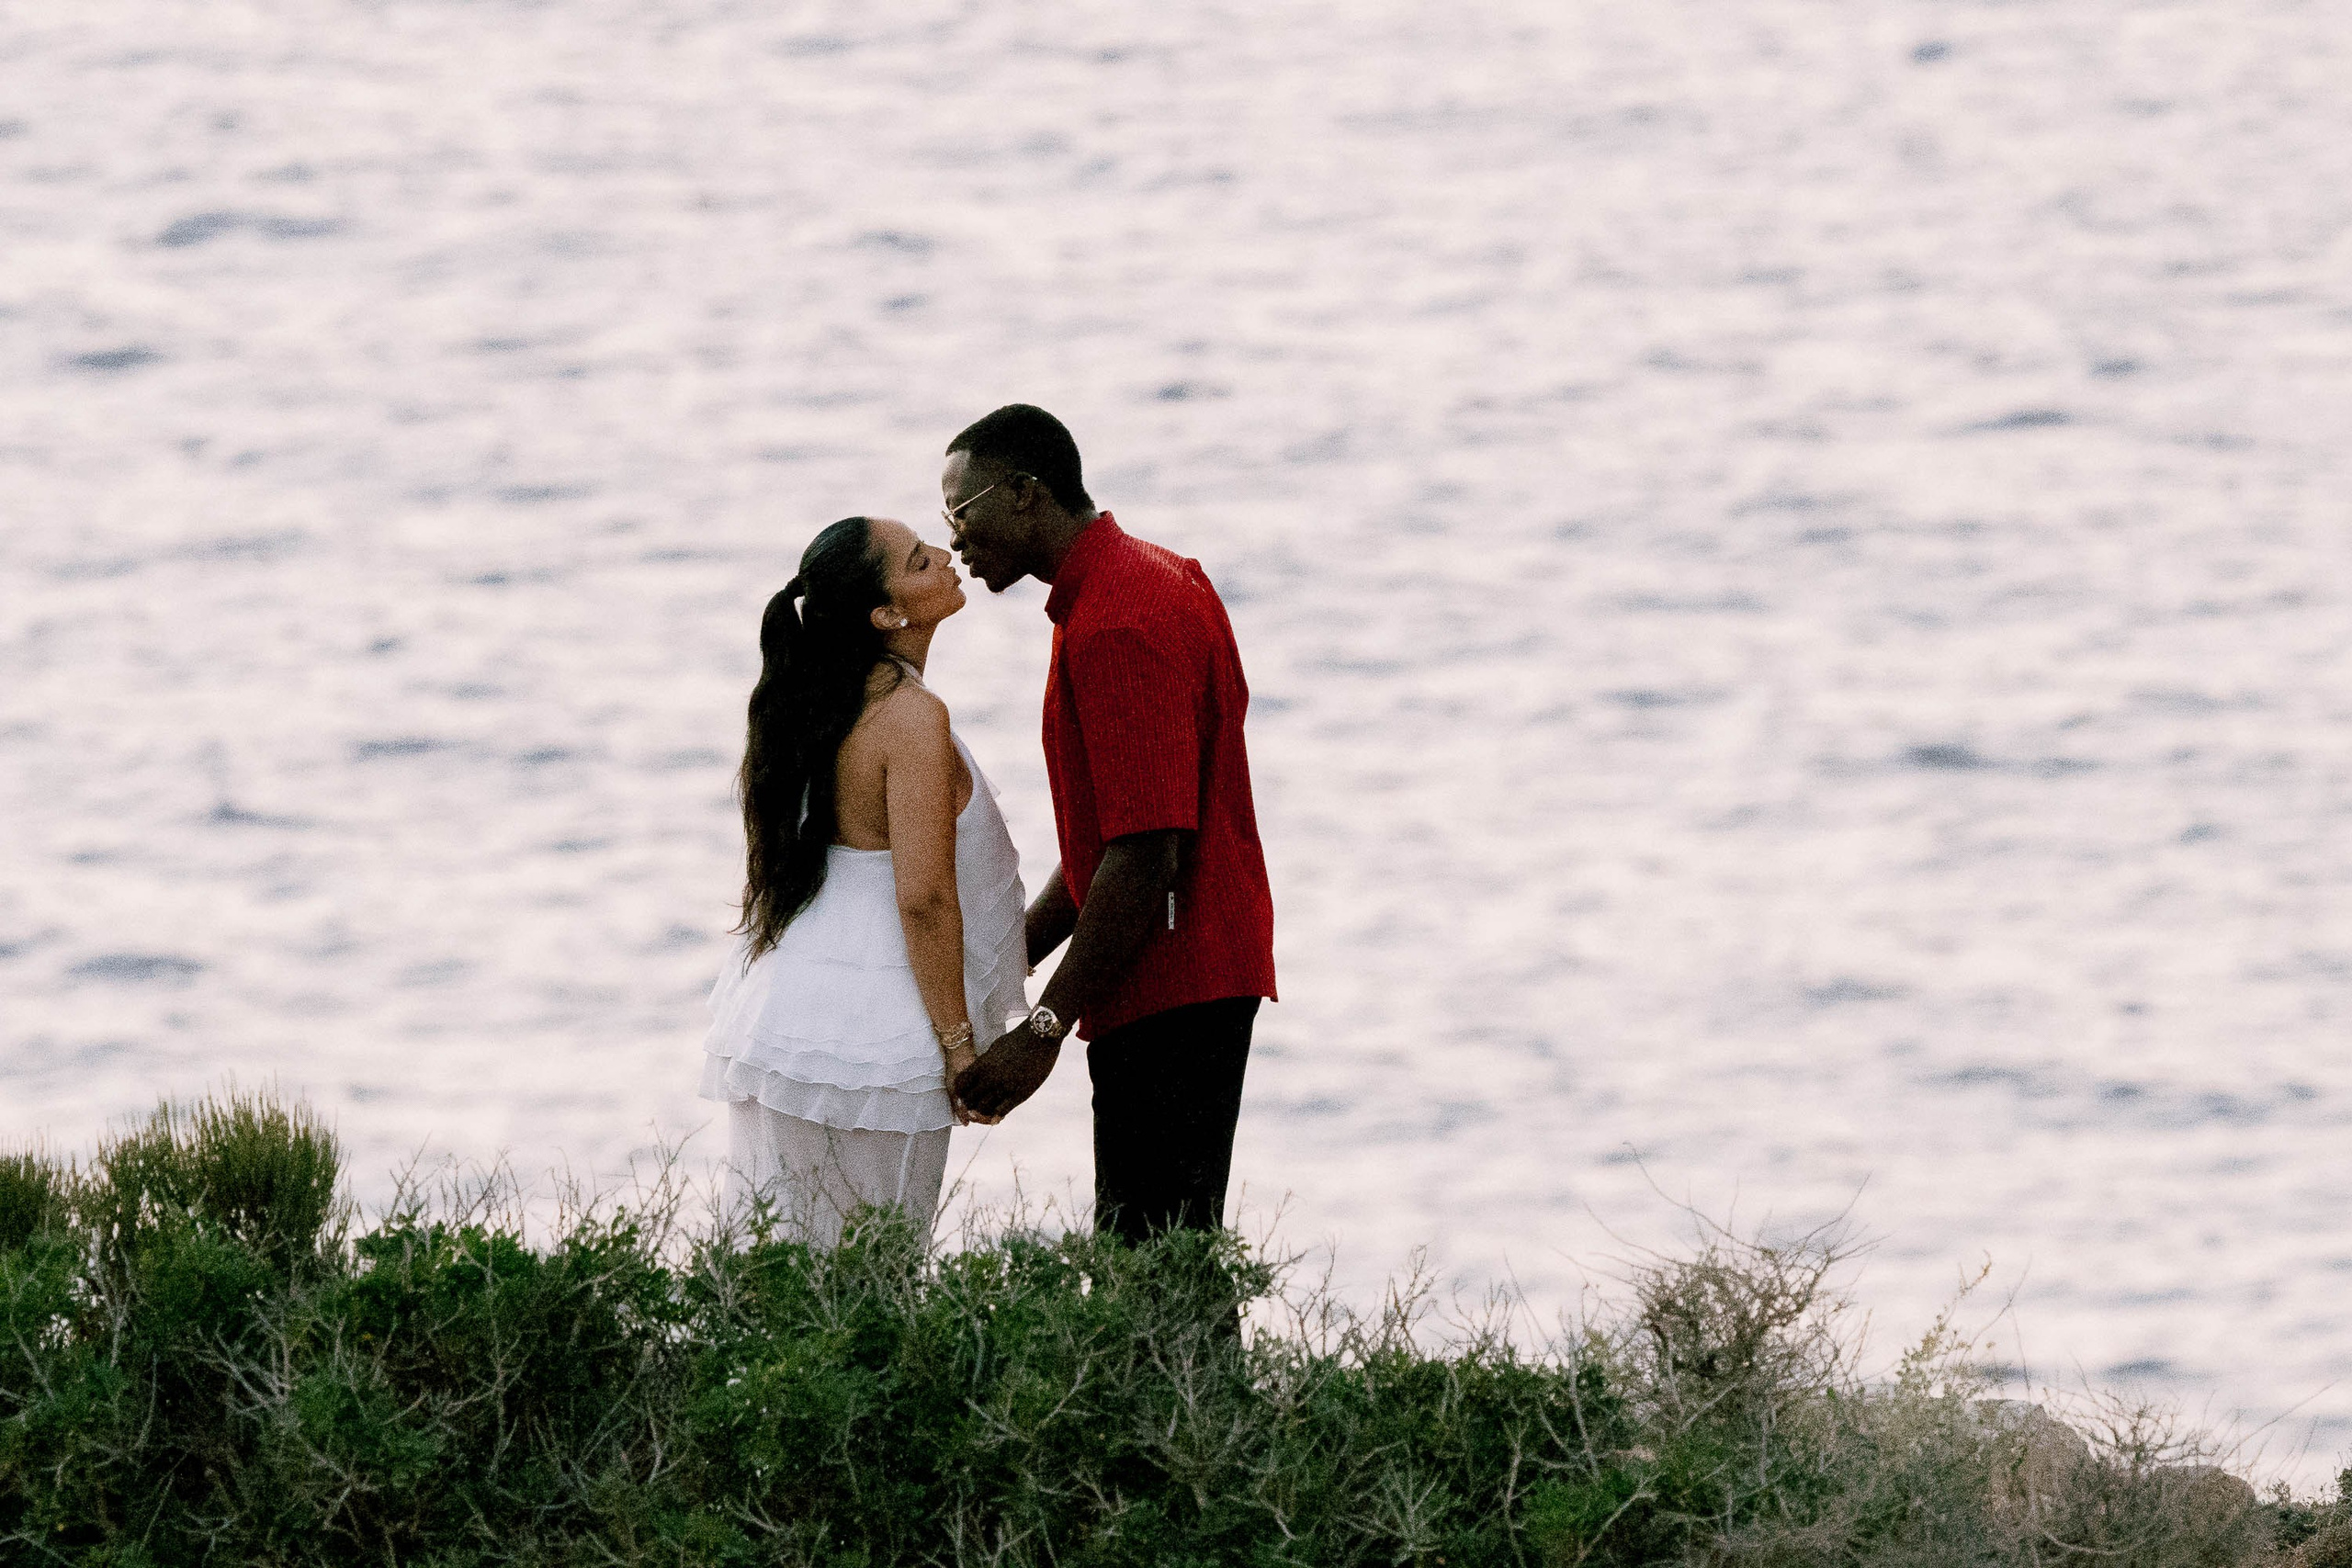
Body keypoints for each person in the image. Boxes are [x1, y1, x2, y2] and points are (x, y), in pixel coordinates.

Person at [942, 404, 1277, 1245]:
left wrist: (1041, 1030)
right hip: (1190, 969)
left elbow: (1145, 854)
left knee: (1150, 1272)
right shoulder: (1148, 576)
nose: (953, 541)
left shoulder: (1117, 620)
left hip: (1172, 979)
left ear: (1023, 493)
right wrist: (1000, 958)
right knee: (1170, 1260)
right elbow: (1111, 843)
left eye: (959, 512)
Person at [698, 515, 1027, 1247]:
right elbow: (924, 898)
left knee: (773, 1264)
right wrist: (959, 1046)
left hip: (782, 1015)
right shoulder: (910, 715)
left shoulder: (812, 701)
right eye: (919, 560)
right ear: (888, 614)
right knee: (874, 1276)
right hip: (878, 1031)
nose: (947, 556)